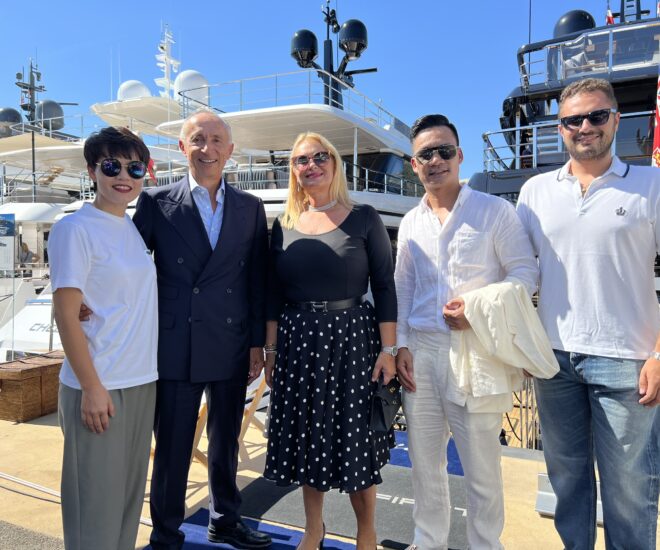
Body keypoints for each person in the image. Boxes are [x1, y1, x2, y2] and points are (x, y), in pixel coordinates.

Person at [517, 77, 659, 549]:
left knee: (629, 490)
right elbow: (519, 273)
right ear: (560, 128)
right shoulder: (535, 192)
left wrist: (659, 354)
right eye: (573, 120)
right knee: (567, 481)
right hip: (552, 360)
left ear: (616, 120)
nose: (585, 127)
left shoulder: (651, 185)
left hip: (627, 361)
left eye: (596, 116)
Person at [394, 114, 538, 550]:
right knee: (424, 462)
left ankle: (484, 545)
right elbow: (403, 288)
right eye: (425, 154)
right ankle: (429, 541)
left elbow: (525, 273)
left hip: (477, 349)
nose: (435, 160)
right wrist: (400, 345)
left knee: (481, 467)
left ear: (459, 156)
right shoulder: (411, 222)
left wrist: (476, 309)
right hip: (421, 352)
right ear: (414, 164)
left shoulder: (495, 212)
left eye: (443, 151)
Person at [133, 110, 270, 549]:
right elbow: (129, 266)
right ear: (182, 147)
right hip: (175, 343)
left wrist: (256, 343)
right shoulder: (155, 202)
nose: (206, 149)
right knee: (172, 447)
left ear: (229, 151)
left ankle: (225, 520)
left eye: (215, 141)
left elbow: (256, 281)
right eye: (197, 139)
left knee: (225, 441)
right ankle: (166, 535)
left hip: (231, 342)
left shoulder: (250, 207)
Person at [263, 132, 398, 550]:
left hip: (353, 341)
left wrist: (388, 350)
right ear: (293, 171)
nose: (312, 165)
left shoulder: (364, 217)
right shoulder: (283, 224)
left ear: (335, 164)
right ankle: (313, 529)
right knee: (308, 439)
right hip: (298, 343)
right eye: (301, 159)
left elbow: (385, 286)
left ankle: (366, 532)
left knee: (357, 442)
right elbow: (272, 293)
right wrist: (270, 350)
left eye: (321, 157)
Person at [49, 127, 157, 550]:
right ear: (92, 171)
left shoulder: (129, 226)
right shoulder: (75, 228)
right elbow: (65, 313)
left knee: (127, 507)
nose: (123, 176)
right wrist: (92, 388)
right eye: (111, 166)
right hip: (99, 384)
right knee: (93, 513)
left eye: (135, 168)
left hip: (140, 380)